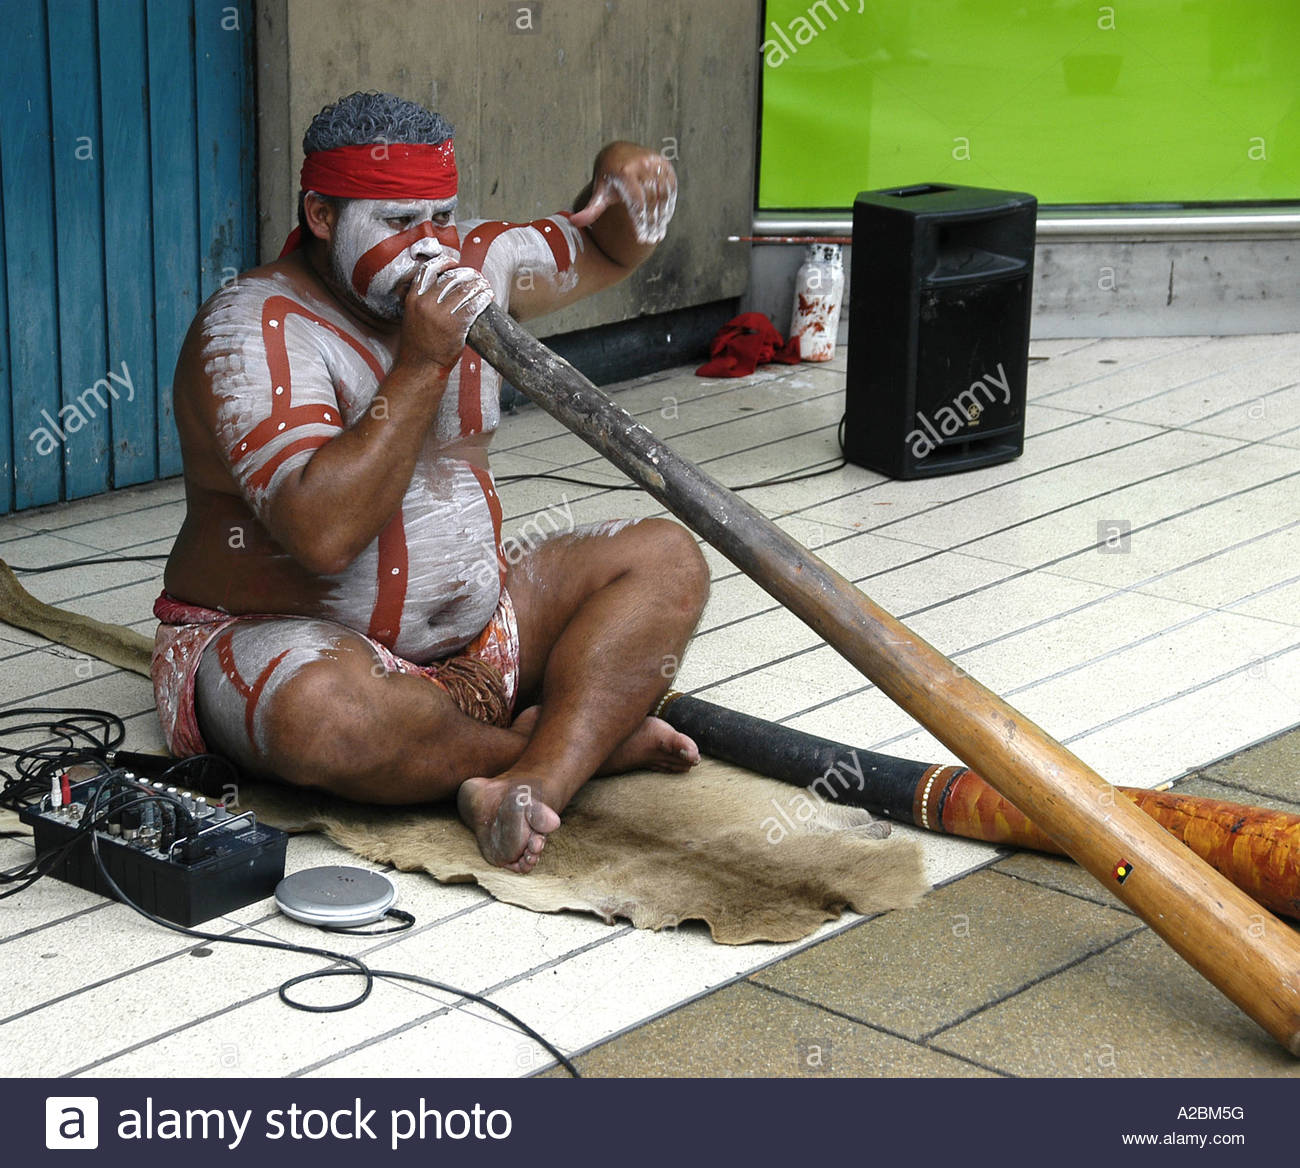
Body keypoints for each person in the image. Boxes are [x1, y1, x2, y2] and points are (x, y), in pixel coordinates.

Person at [153, 91, 709, 874]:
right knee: (326, 718)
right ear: (319, 214)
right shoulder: (252, 329)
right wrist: (420, 362)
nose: (427, 248)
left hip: (485, 639)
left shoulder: (476, 263)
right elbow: (323, 535)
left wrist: (624, 178)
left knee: (664, 559)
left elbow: (610, 250)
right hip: (291, 641)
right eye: (394, 223)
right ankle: (573, 745)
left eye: (439, 216)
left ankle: (529, 780)